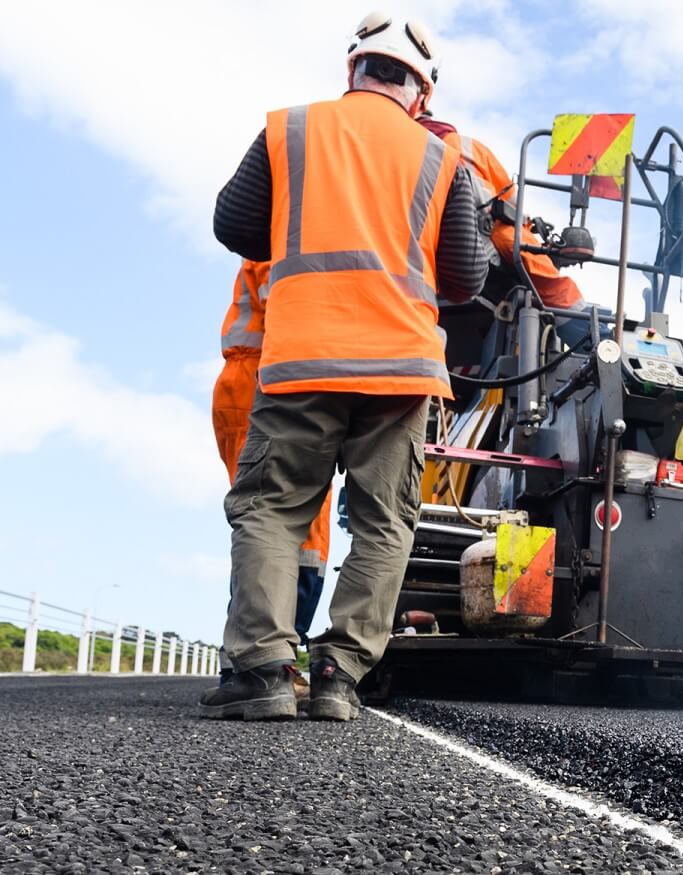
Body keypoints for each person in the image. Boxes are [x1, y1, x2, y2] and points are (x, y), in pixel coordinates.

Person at [200, 12, 487, 721]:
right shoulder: (444, 158)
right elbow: (467, 276)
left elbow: (234, 224)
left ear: (352, 71)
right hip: (401, 369)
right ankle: (339, 672)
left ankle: (264, 667)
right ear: (421, 91)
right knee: (384, 523)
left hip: (303, 357)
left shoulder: (290, 129)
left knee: (272, 507)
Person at [212, 260, 333, 696]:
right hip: (268, 375)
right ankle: (252, 664)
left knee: (306, 534)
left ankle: (276, 658)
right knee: (269, 516)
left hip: (295, 377)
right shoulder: (290, 225)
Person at [415, 112, 597, 347]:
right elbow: (510, 203)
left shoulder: (397, 151)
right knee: (554, 288)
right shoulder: (466, 146)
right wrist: (530, 226)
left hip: (422, 254)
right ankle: (596, 345)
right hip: (485, 242)